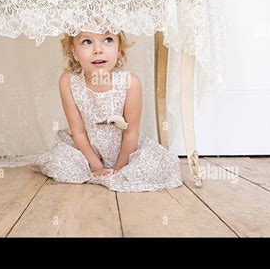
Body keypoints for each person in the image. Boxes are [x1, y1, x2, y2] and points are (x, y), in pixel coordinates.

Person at [29, 30, 182, 192]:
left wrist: (120, 167)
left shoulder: (130, 82)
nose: (98, 50)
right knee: (59, 161)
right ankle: (93, 172)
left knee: (161, 163)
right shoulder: (68, 81)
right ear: (75, 53)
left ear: (119, 50)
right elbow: (78, 132)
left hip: (125, 151)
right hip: (86, 151)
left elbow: (131, 132)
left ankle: (119, 172)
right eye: (87, 42)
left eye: (108, 40)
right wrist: (96, 167)